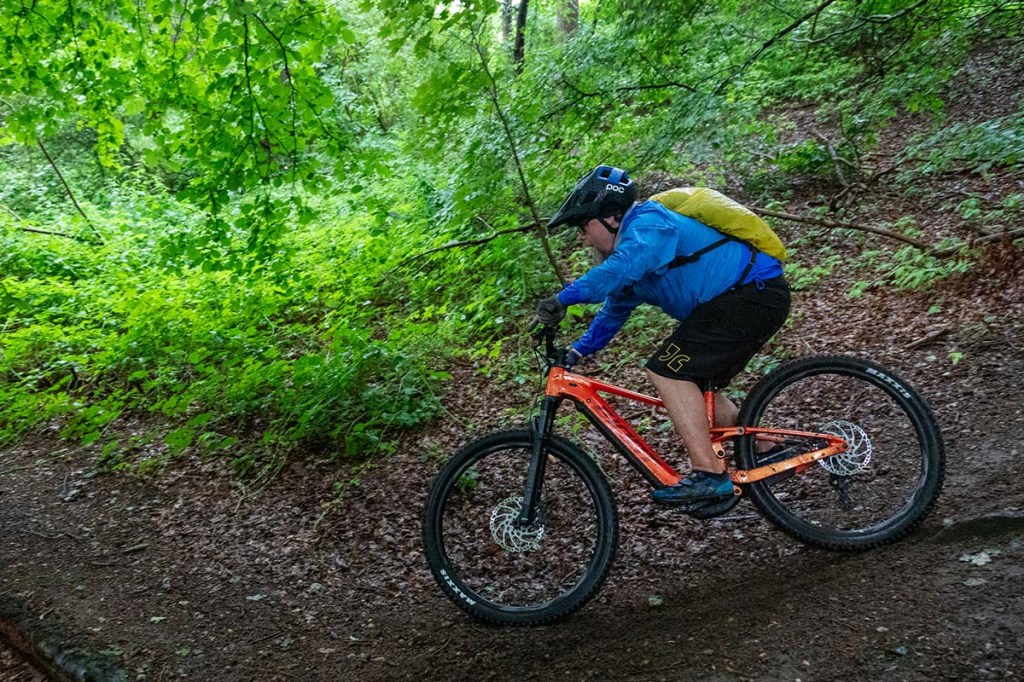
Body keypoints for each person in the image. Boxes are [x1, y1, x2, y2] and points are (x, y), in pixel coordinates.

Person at [537, 165, 791, 504]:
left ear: (612, 216)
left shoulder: (648, 224)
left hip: (751, 293)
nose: (582, 238)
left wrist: (564, 298)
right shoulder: (635, 258)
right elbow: (613, 311)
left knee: (667, 370)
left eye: (583, 227)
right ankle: (767, 446)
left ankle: (711, 475)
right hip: (737, 303)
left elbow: (620, 268)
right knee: (697, 391)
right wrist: (577, 353)